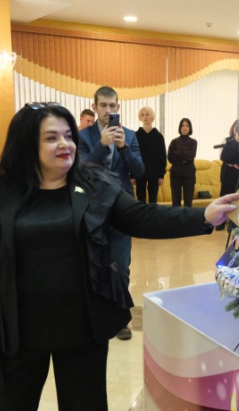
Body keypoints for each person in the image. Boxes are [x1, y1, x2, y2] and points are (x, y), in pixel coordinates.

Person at [0, 102, 239, 411]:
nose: (65, 144)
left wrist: (203, 216)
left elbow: (143, 217)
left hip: (82, 326)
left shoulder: (94, 183)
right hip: (18, 330)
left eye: (68, 136)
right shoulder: (4, 191)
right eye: (51, 138)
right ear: (28, 144)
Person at [78, 86, 145, 340]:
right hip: (92, 211)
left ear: (118, 107)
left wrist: (124, 147)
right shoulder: (82, 136)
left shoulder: (130, 135)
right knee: (93, 265)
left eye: (112, 105)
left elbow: (139, 171)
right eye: (103, 106)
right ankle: (95, 314)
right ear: (94, 107)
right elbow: (80, 170)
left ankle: (119, 319)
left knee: (121, 266)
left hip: (122, 210)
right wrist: (101, 146)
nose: (108, 110)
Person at [134, 106, 167, 203]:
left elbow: (162, 157)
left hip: (154, 173)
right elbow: (132, 156)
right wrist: (132, 175)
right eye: (143, 115)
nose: (145, 117)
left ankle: (152, 214)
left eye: (147, 114)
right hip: (139, 172)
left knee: (153, 200)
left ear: (152, 117)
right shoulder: (136, 135)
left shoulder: (158, 136)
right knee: (141, 200)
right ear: (140, 117)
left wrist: (161, 175)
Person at [168, 118, 197, 207]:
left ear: (190, 128)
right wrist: (184, 156)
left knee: (188, 201)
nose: (185, 128)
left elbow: (191, 155)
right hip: (175, 174)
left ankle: (187, 217)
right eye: (183, 125)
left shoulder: (193, 142)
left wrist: (177, 153)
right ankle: (176, 217)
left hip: (189, 174)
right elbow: (170, 157)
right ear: (180, 127)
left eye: (187, 126)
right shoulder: (174, 142)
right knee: (175, 201)